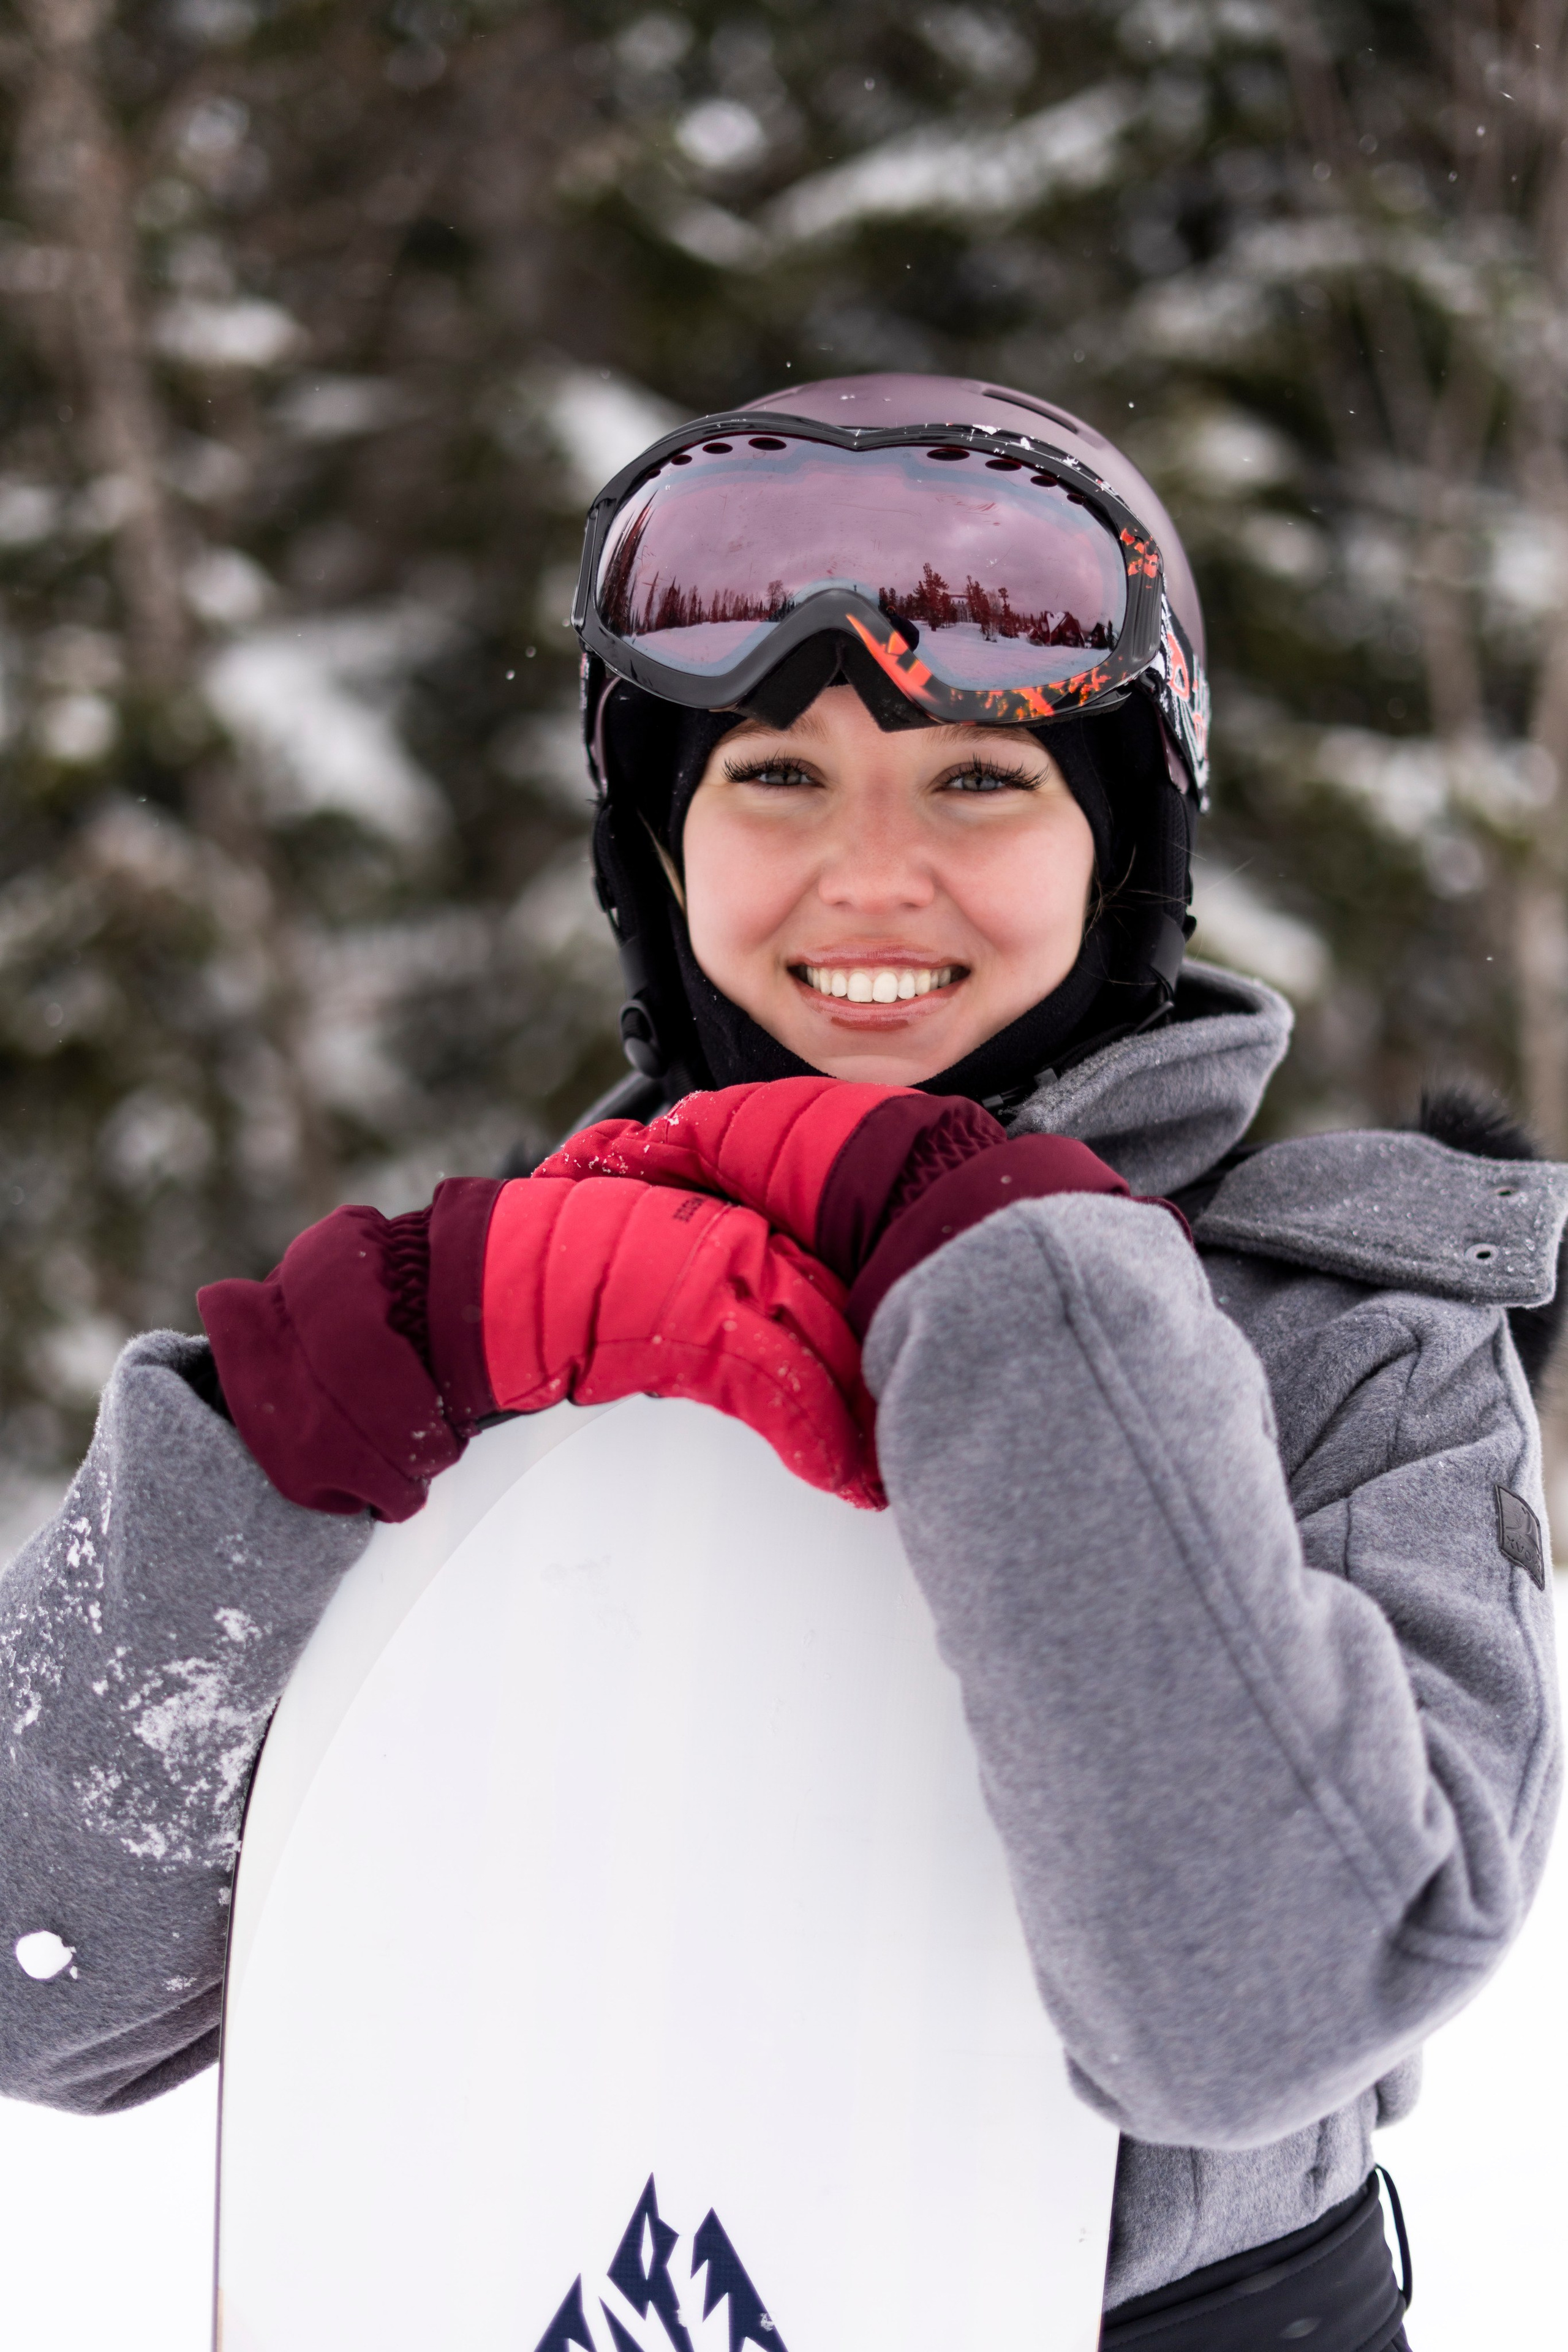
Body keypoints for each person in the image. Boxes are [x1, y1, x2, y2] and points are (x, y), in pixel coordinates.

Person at [0, 374, 1561, 2351]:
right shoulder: (493, 1326)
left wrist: (1008, 1281)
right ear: (662, 844)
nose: (871, 878)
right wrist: (296, 1424)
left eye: (981, 778)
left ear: (1129, 838)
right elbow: (36, 1980)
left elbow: (1257, 2008)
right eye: (776, 778)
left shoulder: (1359, 1341)